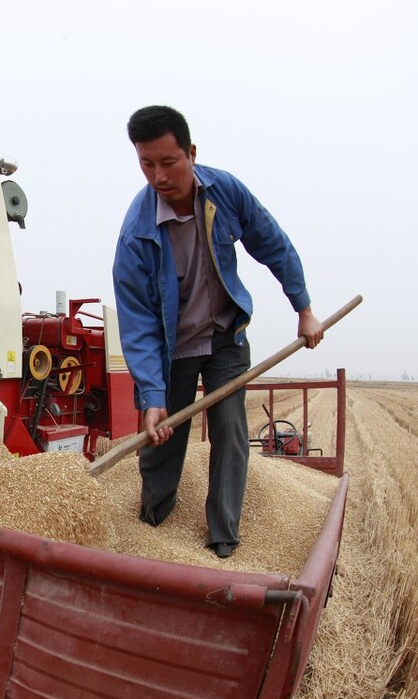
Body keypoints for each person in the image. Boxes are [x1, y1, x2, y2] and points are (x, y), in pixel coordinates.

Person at [111, 105, 324, 558]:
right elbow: (138, 324)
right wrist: (152, 396)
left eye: (168, 162)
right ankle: (151, 523)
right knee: (162, 438)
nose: (158, 176)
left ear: (190, 152)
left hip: (226, 335)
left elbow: (273, 243)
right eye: (146, 164)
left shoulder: (224, 192)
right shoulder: (136, 235)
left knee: (230, 433)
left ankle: (222, 538)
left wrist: (303, 309)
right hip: (175, 349)